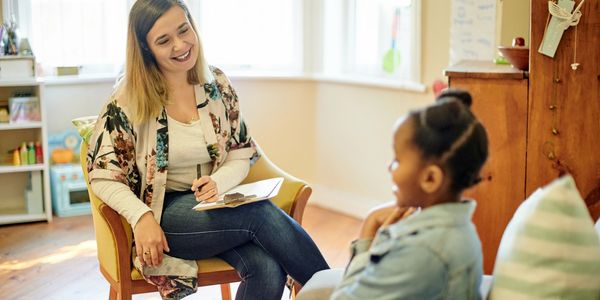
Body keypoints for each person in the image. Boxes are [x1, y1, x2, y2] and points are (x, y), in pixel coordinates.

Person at [86, 1, 329, 299]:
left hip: (215, 208)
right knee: (260, 215)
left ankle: (333, 289)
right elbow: (102, 176)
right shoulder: (127, 100)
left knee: (267, 267)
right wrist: (141, 217)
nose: (180, 45)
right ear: (146, 48)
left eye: (183, 30)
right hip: (166, 215)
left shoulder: (217, 84)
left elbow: (240, 152)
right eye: (164, 40)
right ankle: (342, 293)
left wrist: (218, 182)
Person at [299, 89, 489, 299]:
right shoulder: (455, 231)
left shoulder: (423, 251)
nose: (390, 167)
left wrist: (369, 236)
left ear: (430, 179)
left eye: (397, 160)